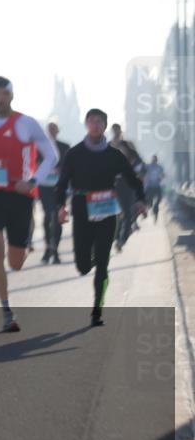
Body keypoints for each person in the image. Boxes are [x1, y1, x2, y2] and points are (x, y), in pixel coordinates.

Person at [0, 77, 57, 332]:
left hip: (19, 196)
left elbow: (51, 155)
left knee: (15, 262)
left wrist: (32, 182)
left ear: (11, 94)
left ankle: (24, 245)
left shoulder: (26, 123)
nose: (0, 98)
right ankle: (6, 309)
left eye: (4, 93)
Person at [55, 109, 146, 326]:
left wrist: (141, 199)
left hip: (106, 211)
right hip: (81, 209)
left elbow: (132, 178)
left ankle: (97, 310)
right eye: (92, 121)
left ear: (104, 126)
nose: (95, 125)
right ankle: (93, 259)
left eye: (100, 122)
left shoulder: (114, 155)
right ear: (86, 124)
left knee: (103, 264)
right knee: (83, 265)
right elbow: (62, 183)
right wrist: (60, 206)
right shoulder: (75, 153)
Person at [39, 122, 71, 264]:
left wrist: (61, 169)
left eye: (54, 129)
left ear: (58, 131)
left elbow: (71, 165)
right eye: (49, 129)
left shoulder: (65, 147)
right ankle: (47, 247)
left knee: (58, 217)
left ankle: (55, 250)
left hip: (60, 187)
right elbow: (34, 163)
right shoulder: (40, 147)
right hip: (44, 186)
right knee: (47, 216)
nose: (52, 132)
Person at [109, 123, 144, 251]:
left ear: (121, 131)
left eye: (118, 130)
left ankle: (122, 239)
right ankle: (117, 238)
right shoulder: (108, 145)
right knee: (116, 213)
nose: (116, 133)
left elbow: (140, 161)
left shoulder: (128, 145)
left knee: (128, 213)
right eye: (114, 130)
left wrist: (136, 171)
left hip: (127, 183)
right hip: (113, 184)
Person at [145, 155, 165, 222]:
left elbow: (163, 175)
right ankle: (150, 210)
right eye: (153, 159)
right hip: (150, 187)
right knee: (149, 201)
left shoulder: (160, 167)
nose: (154, 161)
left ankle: (155, 210)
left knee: (159, 199)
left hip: (157, 186)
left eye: (155, 159)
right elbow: (143, 173)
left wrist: (161, 178)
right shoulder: (148, 166)